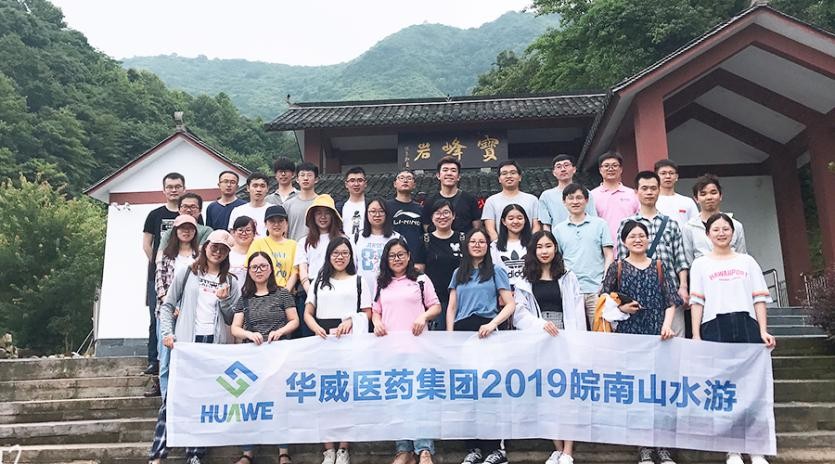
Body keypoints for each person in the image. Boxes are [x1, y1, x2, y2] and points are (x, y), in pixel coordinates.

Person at [689, 213, 774, 464]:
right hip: (714, 325)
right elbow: (697, 301)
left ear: (733, 232)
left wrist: (763, 330)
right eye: (716, 229)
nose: (721, 233)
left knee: (751, 386)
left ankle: (756, 449)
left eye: (726, 229)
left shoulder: (747, 261)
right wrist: (696, 334)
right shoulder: (700, 264)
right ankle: (732, 448)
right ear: (708, 235)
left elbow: (759, 298)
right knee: (723, 388)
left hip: (746, 324)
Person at [149, 230, 240, 464]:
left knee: (205, 399)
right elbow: (167, 305)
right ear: (205, 246)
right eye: (214, 247)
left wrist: (224, 300)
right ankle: (158, 454)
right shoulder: (188, 272)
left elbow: (233, 317)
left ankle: (195, 453)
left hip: (214, 345)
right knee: (174, 398)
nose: (217, 252)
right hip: (187, 344)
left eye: (223, 249)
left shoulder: (231, 281)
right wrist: (167, 333)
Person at [601, 220, 680, 464]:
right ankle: (644, 446)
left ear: (648, 239)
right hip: (629, 336)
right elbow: (604, 298)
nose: (637, 240)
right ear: (624, 242)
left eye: (641, 235)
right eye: (632, 236)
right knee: (638, 392)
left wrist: (667, 325)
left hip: (658, 335)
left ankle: (663, 447)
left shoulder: (659, 265)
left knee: (660, 391)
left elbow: (671, 301)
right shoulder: (617, 267)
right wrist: (622, 308)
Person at [512, 230, 585, 464]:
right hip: (539, 341)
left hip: (565, 340)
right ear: (533, 251)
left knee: (567, 394)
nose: (544, 251)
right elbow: (519, 314)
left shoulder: (568, 277)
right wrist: (540, 325)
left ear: (555, 249)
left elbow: (578, 311)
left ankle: (568, 450)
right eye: (539, 247)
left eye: (548, 246)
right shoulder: (524, 281)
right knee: (545, 395)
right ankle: (557, 448)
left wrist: (578, 341)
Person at [446, 228, 516, 464]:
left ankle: (495, 448)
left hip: (486, 332)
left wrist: (493, 324)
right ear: (466, 246)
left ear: (488, 246)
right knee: (468, 392)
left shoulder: (496, 271)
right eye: (473, 241)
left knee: (489, 390)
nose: (477, 245)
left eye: (482, 242)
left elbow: (509, 304)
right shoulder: (459, 273)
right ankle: (473, 447)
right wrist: (450, 336)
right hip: (463, 333)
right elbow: (452, 307)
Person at [371, 237, 441, 464]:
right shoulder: (381, 283)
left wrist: (423, 316)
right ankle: (403, 449)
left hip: (419, 348)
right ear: (386, 259)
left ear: (409, 256)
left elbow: (436, 306)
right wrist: (377, 322)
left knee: (421, 398)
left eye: (401, 254)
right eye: (392, 256)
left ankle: (424, 449)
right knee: (397, 398)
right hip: (391, 350)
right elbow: (375, 310)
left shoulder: (420, 279)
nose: (397, 259)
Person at [304, 236, 372, 464]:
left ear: (351, 256)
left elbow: (367, 312)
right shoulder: (319, 281)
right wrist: (315, 328)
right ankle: (328, 448)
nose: (340, 257)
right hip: (323, 339)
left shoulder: (359, 281)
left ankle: (343, 448)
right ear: (329, 256)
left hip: (348, 339)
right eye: (336, 253)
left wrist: (351, 321)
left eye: (345, 253)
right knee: (325, 393)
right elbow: (308, 312)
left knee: (346, 393)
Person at [230, 252, 299, 464]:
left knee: (280, 402)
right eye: (254, 267)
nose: (259, 270)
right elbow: (235, 328)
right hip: (253, 357)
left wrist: (281, 331)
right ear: (249, 271)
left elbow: (294, 320)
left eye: (263, 266)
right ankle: (247, 452)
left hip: (279, 355)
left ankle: (283, 452)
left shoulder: (282, 294)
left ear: (270, 268)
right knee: (250, 402)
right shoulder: (244, 298)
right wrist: (249, 334)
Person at [615, 171, 689, 337]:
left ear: (659, 190)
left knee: (674, 340)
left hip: (670, 295)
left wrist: (683, 287)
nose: (649, 192)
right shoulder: (627, 224)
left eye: (653, 188)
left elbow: (680, 259)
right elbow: (621, 261)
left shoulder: (671, 224)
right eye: (644, 188)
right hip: (637, 295)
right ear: (636, 192)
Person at [148, 214, 199, 398]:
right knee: (166, 359)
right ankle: (166, 400)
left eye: (190, 228)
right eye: (182, 228)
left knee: (189, 357)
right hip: (167, 310)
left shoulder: (199, 256)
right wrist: (170, 305)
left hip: (192, 312)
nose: (186, 232)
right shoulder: (165, 255)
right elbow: (159, 284)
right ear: (175, 231)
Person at [141, 172, 185, 376]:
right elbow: (147, 244)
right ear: (164, 190)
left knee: (183, 317)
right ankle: (154, 360)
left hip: (184, 276)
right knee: (156, 317)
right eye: (170, 187)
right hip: (158, 277)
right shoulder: (154, 215)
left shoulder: (189, 215)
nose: (173, 190)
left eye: (177, 186)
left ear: (184, 189)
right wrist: (160, 266)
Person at [553, 183, 614, 327]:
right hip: (571, 291)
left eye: (579, 198)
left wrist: (605, 282)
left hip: (596, 289)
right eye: (570, 198)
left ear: (586, 200)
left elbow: (609, 255)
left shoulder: (600, 224)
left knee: (601, 331)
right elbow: (557, 260)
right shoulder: (558, 230)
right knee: (576, 332)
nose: (575, 201)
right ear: (564, 202)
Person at [294, 194, 344, 337]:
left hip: (336, 290)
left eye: (327, 213)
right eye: (318, 213)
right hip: (309, 289)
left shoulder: (343, 239)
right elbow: (302, 268)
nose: (323, 217)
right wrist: (311, 291)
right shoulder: (303, 242)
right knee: (310, 336)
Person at [419, 199, 465, 331]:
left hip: (461, 298)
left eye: (446, 212)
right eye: (438, 213)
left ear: (453, 215)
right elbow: (419, 271)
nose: (442, 217)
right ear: (432, 217)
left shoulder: (463, 239)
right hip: (436, 301)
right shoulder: (425, 240)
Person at [683, 174, 746, 265]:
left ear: (720, 196)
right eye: (703, 194)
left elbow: (742, 257)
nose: (709, 197)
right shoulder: (689, 228)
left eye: (713, 193)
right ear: (696, 199)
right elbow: (689, 261)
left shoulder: (736, 225)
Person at [481, 160, 540, 241]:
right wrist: (498, 245)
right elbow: (490, 229)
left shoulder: (532, 200)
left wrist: (531, 244)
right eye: (504, 173)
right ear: (499, 179)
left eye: (513, 173)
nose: (509, 176)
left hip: (527, 244)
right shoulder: (491, 201)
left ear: (520, 177)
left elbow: (536, 226)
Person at [422, 156, 481, 233]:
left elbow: (476, 227)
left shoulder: (470, 199)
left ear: (458, 176)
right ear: (438, 175)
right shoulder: (430, 202)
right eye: (445, 170)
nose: (449, 173)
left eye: (453, 170)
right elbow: (426, 227)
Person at [354, 198, 399, 298]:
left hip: (391, 293)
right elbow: (352, 266)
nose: (377, 215)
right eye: (373, 211)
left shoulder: (397, 238)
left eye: (381, 211)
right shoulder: (356, 238)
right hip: (363, 293)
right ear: (366, 213)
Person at [590, 152, 639, 243]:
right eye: (606, 166)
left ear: (621, 169)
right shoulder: (592, 196)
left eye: (615, 165)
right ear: (600, 170)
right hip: (603, 246)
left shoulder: (633, 194)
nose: (610, 169)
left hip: (630, 246)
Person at [538, 155, 596, 230]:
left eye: (566, 165)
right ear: (554, 172)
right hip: (557, 235)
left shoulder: (585, 192)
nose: (563, 169)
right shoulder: (546, 196)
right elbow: (546, 225)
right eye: (559, 167)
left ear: (574, 169)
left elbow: (593, 218)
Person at [248, 205, 298, 291]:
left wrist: (285, 293)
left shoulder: (293, 245)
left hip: (286, 292)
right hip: (262, 292)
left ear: (286, 223)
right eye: (272, 221)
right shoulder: (258, 244)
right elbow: (251, 269)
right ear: (265, 224)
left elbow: (295, 272)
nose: (276, 225)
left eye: (280, 221)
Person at [387, 170, 425, 264]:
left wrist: (420, 261)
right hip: (392, 258)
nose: (405, 181)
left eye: (409, 178)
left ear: (414, 185)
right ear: (395, 184)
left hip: (414, 259)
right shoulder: (386, 207)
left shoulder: (420, 209)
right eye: (402, 178)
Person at [489, 204, 532, 288]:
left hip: (529, 289)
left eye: (519, 218)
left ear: (525, 220)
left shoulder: (533, 243)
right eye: (511, 218)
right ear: (504, 221)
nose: (515, 221)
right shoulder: (494, 246)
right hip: (504, 289)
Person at [654, 160, 698, 228]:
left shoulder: (687, 201)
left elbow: (696, 226)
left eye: (671, 173)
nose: (668, 176)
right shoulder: (651, 201)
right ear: (656, 177)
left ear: (676, 177)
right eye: (663, 173)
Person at [285, 162, 320, 241]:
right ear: (297, 179)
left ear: (316, 179)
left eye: (309, 175)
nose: (306, 178)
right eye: (302, 175)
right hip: (293, 246)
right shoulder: (288, 204)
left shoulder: (321, 203)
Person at [228, 216, 257, 286]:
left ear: (254, 233)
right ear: (233, 232)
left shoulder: (258, 254)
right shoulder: (227, 253)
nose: (244, 233)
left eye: (248, 230)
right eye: (240, 230)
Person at [341, 167, 367, 242]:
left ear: (365, 183)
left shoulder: (372, 205)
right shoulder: (340, 206)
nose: (356, 184)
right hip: (345, 245)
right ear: (346, 184)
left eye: (360, 180)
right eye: (352, 181)